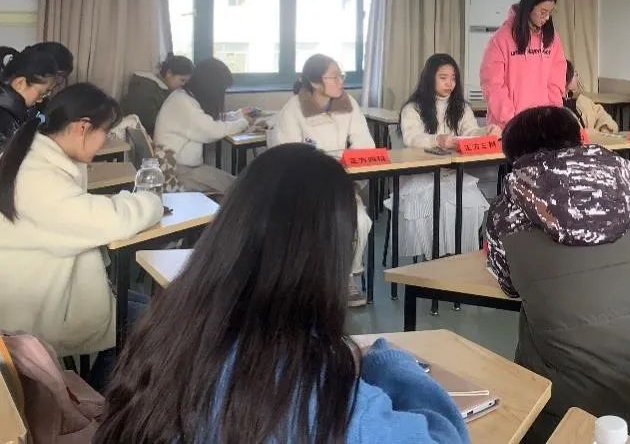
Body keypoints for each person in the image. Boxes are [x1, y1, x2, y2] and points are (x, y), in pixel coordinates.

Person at [95, 145, 468, 444]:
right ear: (328, 257)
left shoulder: (165, 332)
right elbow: (446, 437)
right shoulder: (324, 396)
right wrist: (389, 363)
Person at [485, 105, 630, 442]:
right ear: (579, 139)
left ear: (515, 158)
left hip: (570, 414)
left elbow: (510, 286)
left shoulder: (505, 214)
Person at [0, 84, 162, 382]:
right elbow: (113, 221)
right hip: (34, 309)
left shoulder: (35, 155)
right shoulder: (38, 178)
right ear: (82, 128)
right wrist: (151, 200)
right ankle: (100, 398)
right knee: (158, 326)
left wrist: (122, 201)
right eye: (106, 133)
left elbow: (83, 214)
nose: (105, 142)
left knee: (156, 310)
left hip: (46, 289)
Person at [269, 54, 374, 305]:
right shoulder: (293, 109)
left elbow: (365, 144)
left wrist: (346, 162)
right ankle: (311, 280)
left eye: (341, 75)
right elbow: (287, 157)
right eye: (334, 77)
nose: (341, 81)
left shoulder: (348, 104)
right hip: (305, 188)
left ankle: (348, 276)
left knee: (361, 221)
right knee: (315, 225)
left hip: (340, 183)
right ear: (316, 82)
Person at [396, 53, 489, 258]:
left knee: (471, 205)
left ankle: (459, 257)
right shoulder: (413, 108)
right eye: (443, 77)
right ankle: (433, 259)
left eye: (453, 78)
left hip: (452, 174)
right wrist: (437, 140)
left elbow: (471, 132)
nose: (450, 83)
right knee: (434, 207)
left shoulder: (461, 107)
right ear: (430, 78)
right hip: (422, 175)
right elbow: (412, 138)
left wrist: (486, 132)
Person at [153, 58, 250, 195]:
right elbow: (212, 130)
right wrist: (243, 122)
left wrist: (238, 115)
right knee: (241, 189)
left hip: (179, 168)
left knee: (238, 185)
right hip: (177, 175)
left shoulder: (182, 97)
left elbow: (206, 121)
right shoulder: (184, 103)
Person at [479, 0, 567, 133]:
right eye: (543, 11)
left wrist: (550, 117)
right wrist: (514, 121)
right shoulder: (501, 39)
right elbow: (493, 86)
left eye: (550, 12)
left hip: (541, 127)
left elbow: (556, 83)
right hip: (508, 127)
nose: (547, 17)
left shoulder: (552, 39)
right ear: (529, 7)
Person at [120, 53, 194, 135]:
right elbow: (145, 121)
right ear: (169, 73)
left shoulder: (160, 88)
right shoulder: (146, 88)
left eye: (186, 82)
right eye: (182, 80)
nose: (183, 84)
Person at [0, 46, 59, 147]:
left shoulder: (20, 111)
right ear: (20, 83)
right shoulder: (4, 118)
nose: (41, 100)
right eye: (42, 93)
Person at [563, 59, 617, 133]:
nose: (577, 76)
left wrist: (604, 129)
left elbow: (602, 115)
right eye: (574, 73)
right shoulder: (558, 108)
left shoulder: (582, 101)